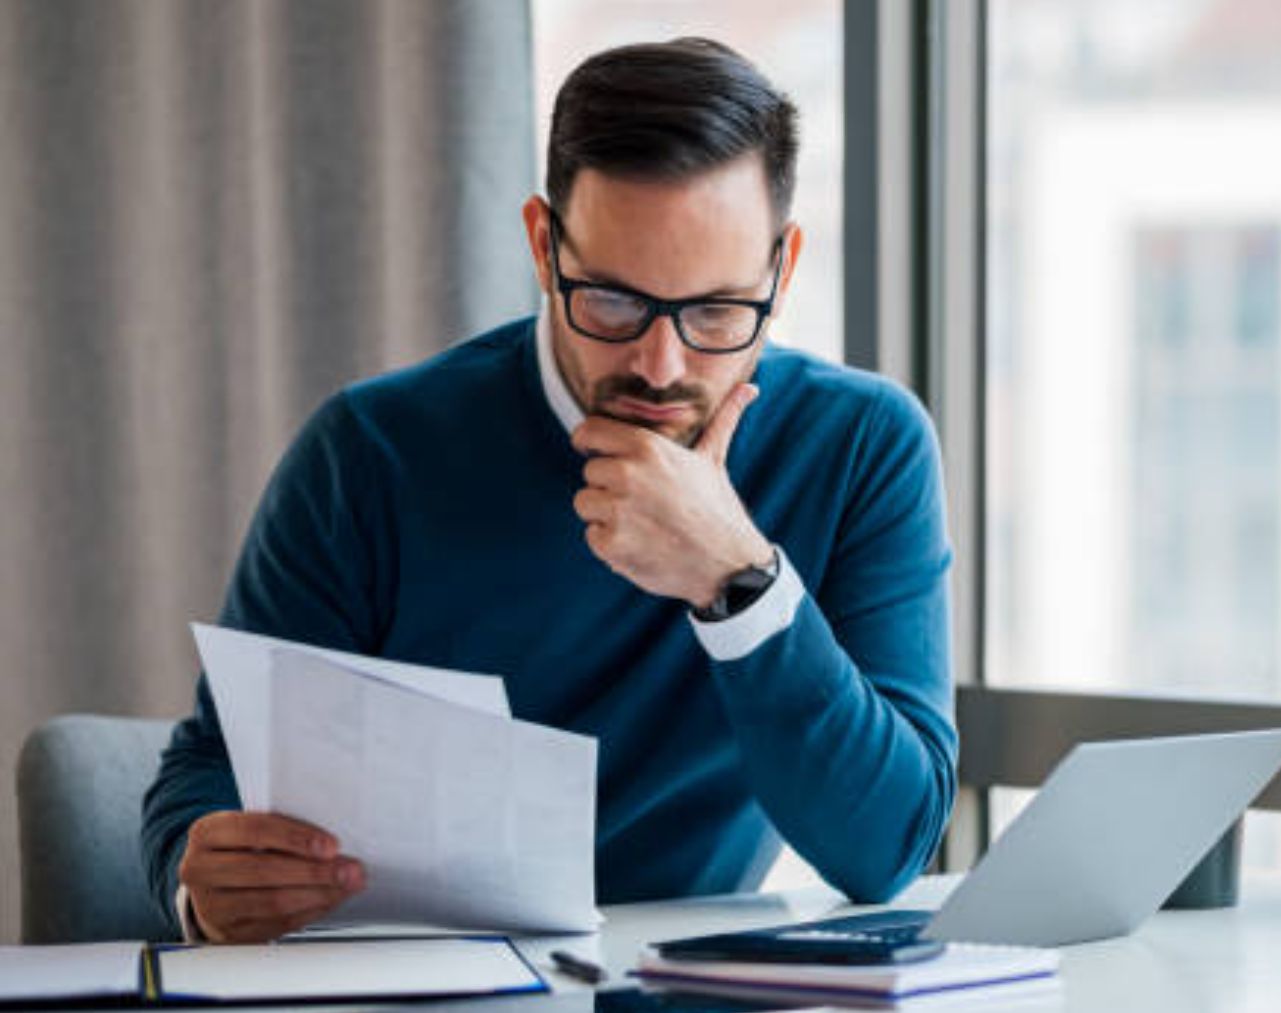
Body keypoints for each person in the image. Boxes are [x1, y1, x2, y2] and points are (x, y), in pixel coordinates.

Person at [140, 38, 956, 944]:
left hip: (683, 989)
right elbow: (208, 770)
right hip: (416, 985)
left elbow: (886, 848)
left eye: (718, 311)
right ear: (542, 244)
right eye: (611, 301)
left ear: (783, 269)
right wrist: (200, 874)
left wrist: (740, 584)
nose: (662, 363)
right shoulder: (372, 453)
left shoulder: (864, 445)